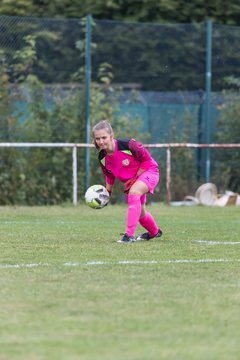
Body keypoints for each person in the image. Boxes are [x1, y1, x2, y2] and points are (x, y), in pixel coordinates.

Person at [92, 119, 163, 243]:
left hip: (149, 171)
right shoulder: (102, 157)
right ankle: (154, 232)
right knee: (140, 214)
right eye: (97, 139)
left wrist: (135, 179)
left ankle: (129, 236)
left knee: (134, 193)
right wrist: (107, 192)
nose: (101, 141)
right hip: (134, 180)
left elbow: (147, 160)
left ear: (111, 136)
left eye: (104, 137)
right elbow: (109, 175)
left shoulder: (129, 145)